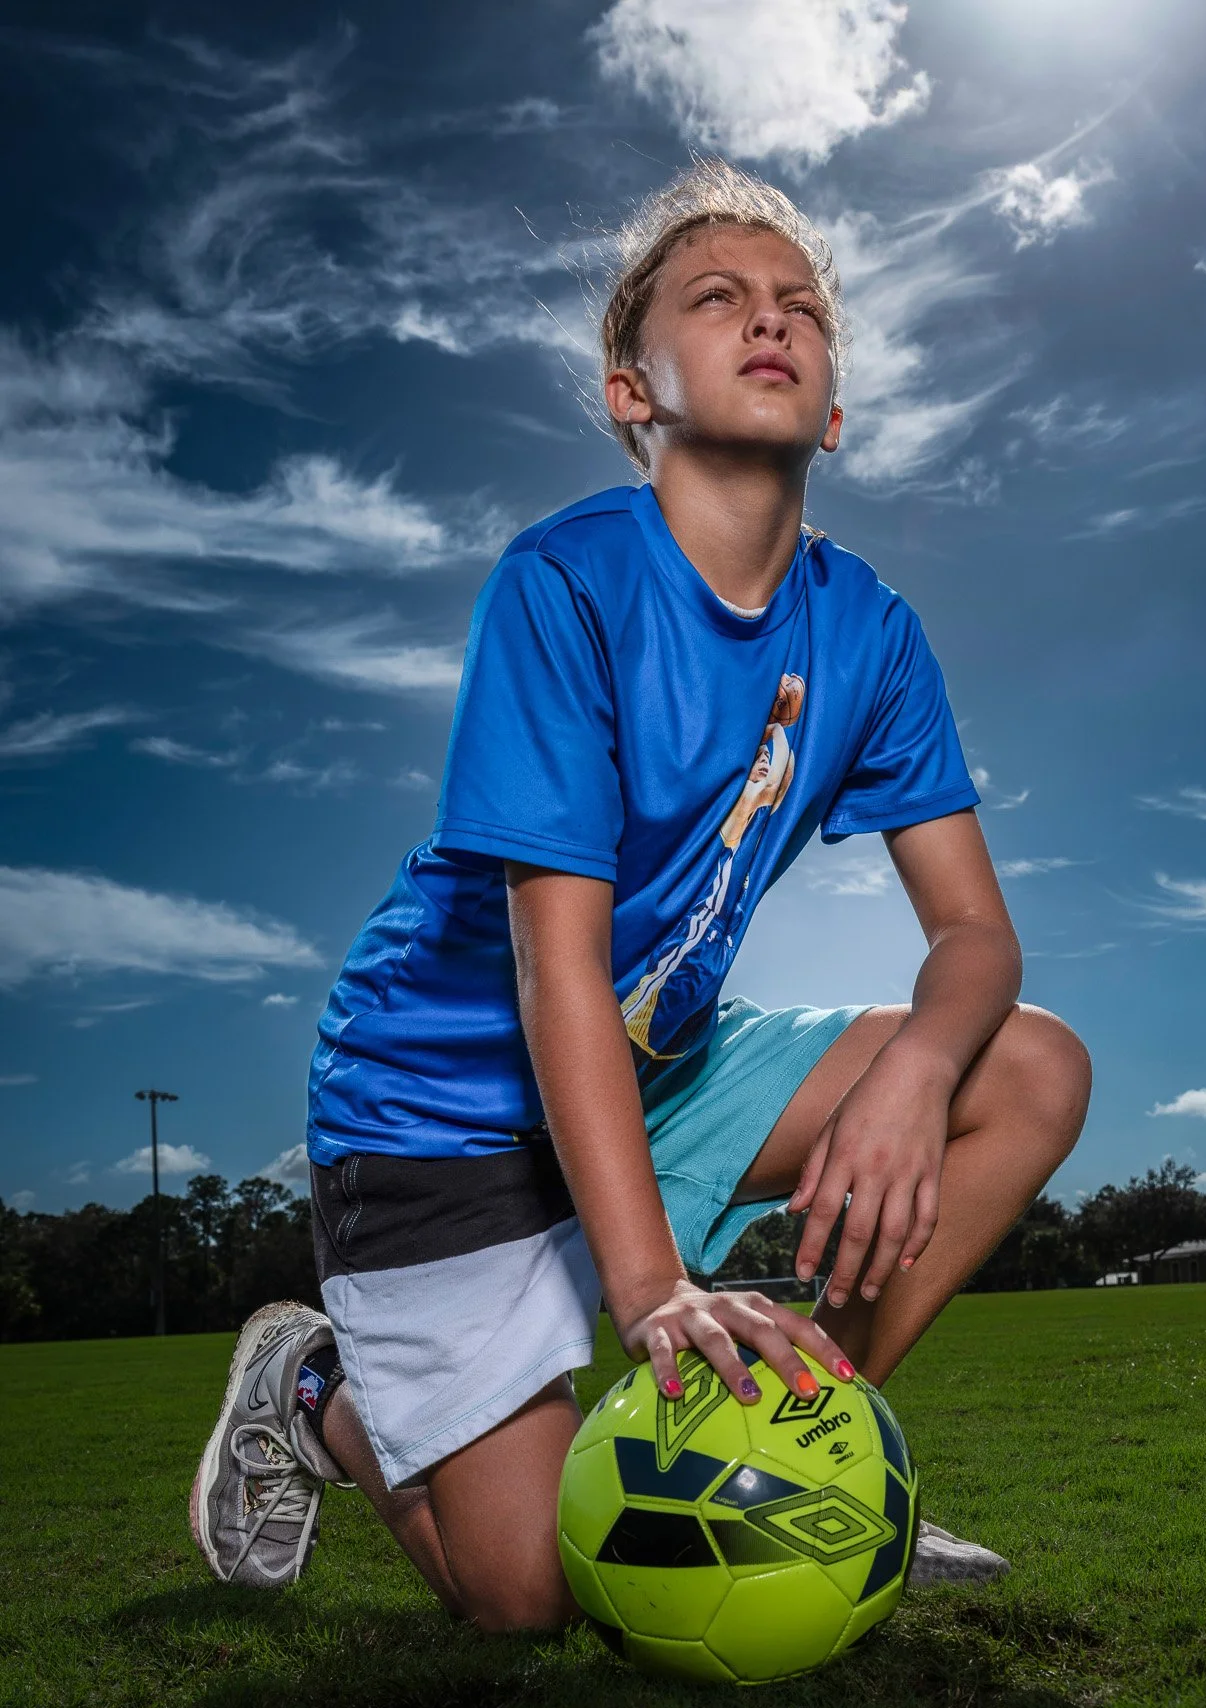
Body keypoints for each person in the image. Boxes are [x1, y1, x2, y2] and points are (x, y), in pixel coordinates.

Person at [190, 162, 1091, 1630]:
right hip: (441, 1114)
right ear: (632, 393)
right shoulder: (564, 583)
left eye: (800, 307)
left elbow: (976, 936)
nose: (770, 320)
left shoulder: (869, 628)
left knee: (1028, 1064)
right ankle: (313, 1390)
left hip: (651, 1075)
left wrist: (917, 1072)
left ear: (836, 415)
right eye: (717, 298)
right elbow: (553, 976)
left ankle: (797, 1474)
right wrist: (653, 1284)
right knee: (534, 1603)